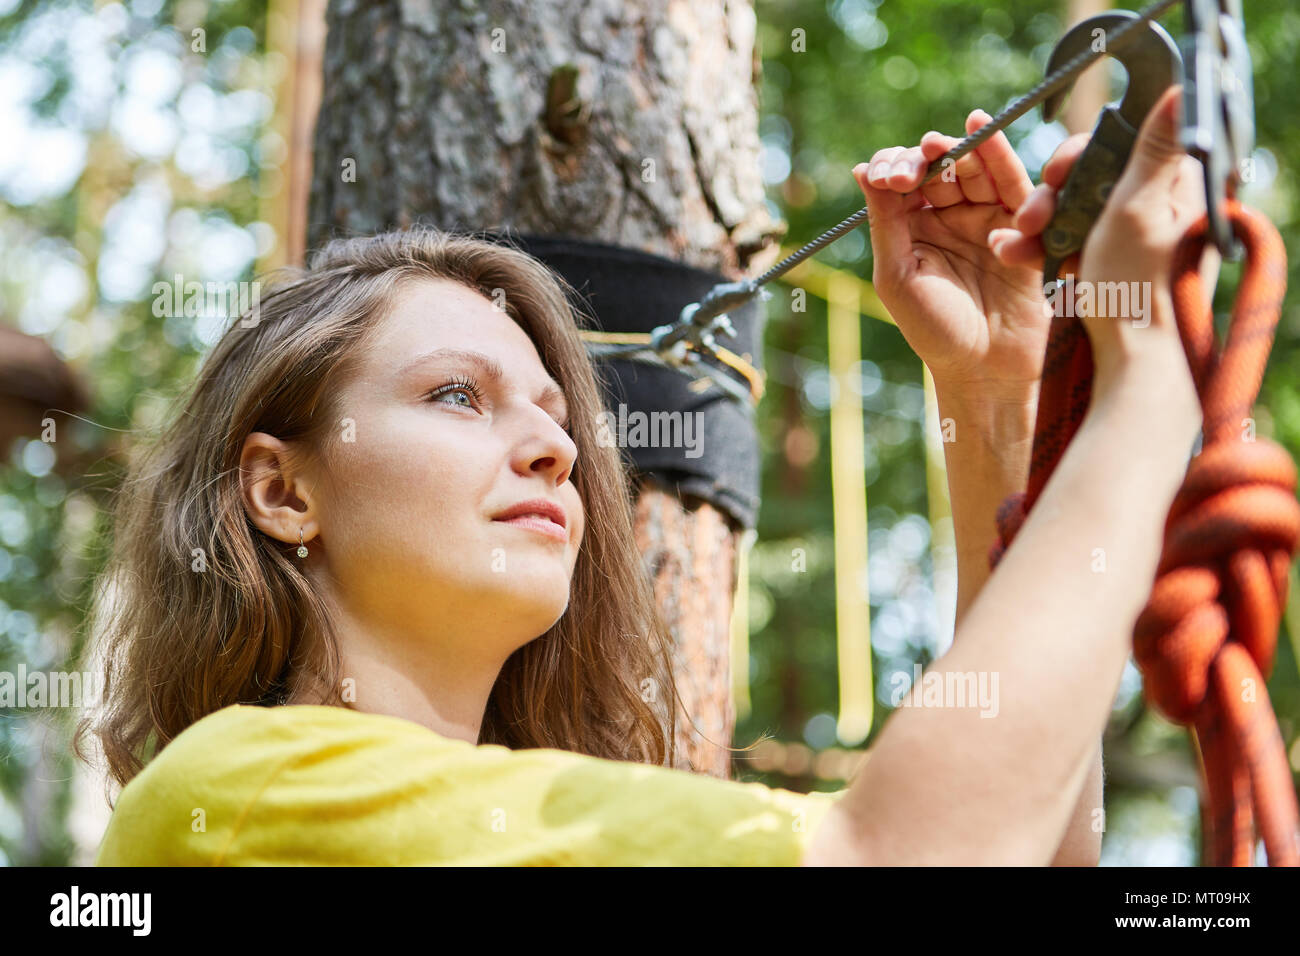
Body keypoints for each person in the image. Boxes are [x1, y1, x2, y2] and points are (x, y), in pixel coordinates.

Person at [83, 82, 1204, 866]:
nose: (556, 447)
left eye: (558, 419)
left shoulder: (523, 826)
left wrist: (992, 398)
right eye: (455, 394)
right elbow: (907, 857)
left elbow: (1018, 854)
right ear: (282, 490)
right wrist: (1145, 381)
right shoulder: (239, 787)